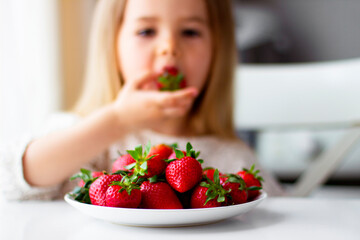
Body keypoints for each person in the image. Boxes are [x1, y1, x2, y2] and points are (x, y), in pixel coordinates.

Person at [0, 0, 284, 201]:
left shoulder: (235, 159)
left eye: (190, 32)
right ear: (112, 45)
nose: (169, 47)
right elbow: (11, 179)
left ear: (218, 51)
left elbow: (281, 218)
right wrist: (117, 121)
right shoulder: (84, 135)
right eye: (146, 31)